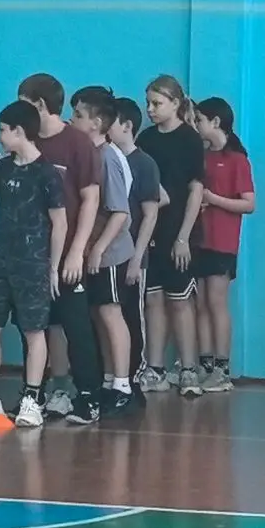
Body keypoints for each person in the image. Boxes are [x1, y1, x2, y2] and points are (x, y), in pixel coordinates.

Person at [0, 101, 66, 430]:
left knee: (34, 332)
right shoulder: (4, 169)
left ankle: (32, 399)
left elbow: (59, 223)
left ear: (19, 132)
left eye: (3, 130)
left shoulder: (48, 174)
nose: (0, 136)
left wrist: (53, 267)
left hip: (32, 265)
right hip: (0, 262)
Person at [15, 73, 104, 424]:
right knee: (36, 326)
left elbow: (90, 199)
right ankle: (38, 393)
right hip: (32, 254)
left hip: (67, 252)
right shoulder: (26, 141)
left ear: (40, 105)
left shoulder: (77, 143)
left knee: (76, 325)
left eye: (24, 105)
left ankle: (89, 397)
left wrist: (77, 251)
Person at [136, 74, 205, 395]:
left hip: (179, 231)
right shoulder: (146, 139)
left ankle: (188, 368)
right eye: (148, 103)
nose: (150, 109)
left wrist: (183, 237)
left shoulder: (190, 139)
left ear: (175, 103)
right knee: (152, 300)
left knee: (180, 301)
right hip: (151, 230)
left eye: (157, 103)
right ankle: (155, 368)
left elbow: (195, 189)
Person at [70, 86, 135, 414]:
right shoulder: (87, 155)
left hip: (109, 252)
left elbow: (119, 212)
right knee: (97, 313)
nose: (72, 120)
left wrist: (98, 249)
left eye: (78, 115)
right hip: (92, 252)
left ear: (96, 123)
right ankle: (109, 379)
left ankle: (123, 384)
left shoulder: (107, 157)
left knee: (111, 312)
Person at [191, 96, 255, 393]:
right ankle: (204, 364)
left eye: (200, 120)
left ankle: (222, 368)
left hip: (223, 241)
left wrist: (213, 199)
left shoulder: (237, 160)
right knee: (201, 302)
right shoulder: (202, 157)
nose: (196, 125)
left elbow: (249, 204)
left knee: (217, 302)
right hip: (200, 239)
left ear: (215, 122)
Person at [111, 97, 164, 397]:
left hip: (132, 256)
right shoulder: (106, 158)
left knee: (133, 315)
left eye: (111, 121)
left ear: (127, 126)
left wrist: (136, 258)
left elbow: (151, 213)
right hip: (108, 256)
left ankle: (136, 373)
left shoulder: (144, 163)